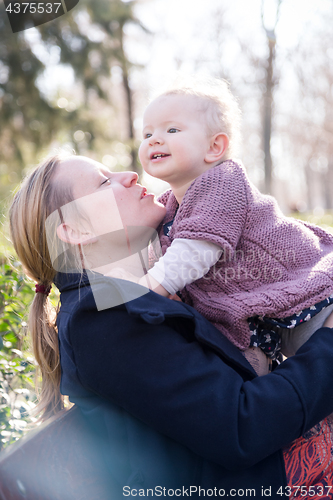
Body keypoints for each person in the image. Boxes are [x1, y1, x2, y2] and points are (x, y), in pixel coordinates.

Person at [8, 153, 333, 497]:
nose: (130, 175)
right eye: (105, 182)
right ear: (76, 230)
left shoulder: (139, 294)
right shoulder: (100, 321)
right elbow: (242, 427)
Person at [132, 79, 333, 375]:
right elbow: (166, 255)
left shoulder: (222, 182)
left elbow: (194, 253)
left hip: (310, 292)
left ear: (215, 147)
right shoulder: (169, 205)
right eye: (147, 133)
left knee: (319, 361)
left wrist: (144, 291)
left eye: (171, 130)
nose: (154, 140)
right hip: (264, 315)